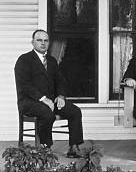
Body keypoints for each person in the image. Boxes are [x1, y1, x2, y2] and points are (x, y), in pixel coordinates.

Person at [14, 29, 84, 157]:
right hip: (29, 102)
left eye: (46, 40)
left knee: (75, 111)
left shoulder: (51, 61)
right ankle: (46, 149)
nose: (43, 43)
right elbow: (25, 86)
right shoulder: (24, 60)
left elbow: (60, 81)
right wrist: (43, 99)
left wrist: (61, 96)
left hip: (51, 101)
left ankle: (74, 147)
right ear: (32, 42)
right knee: (47, 114)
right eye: (39, 40)